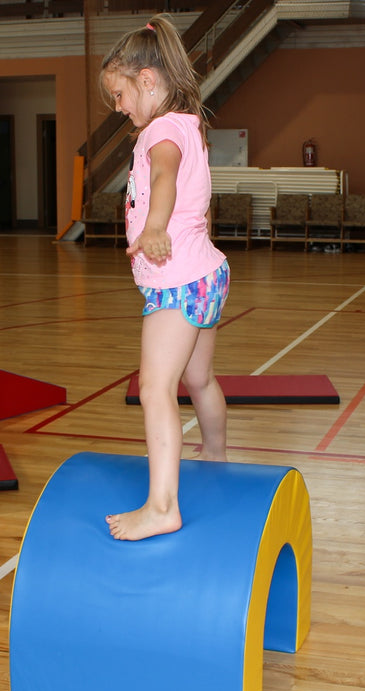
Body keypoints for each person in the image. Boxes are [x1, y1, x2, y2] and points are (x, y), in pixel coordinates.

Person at [99, 15, 231, 541]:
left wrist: (154, 226)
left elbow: (164, 175)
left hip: (176, 280)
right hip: (205, 275)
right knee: (198, 379)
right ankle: (217, 454)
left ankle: (162, 506)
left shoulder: (161, 131)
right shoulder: (186, 120)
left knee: (156, 388)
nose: (119, 107)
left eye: (119, 94)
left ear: (147, 81)